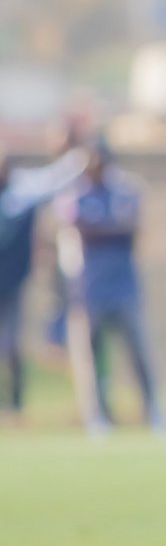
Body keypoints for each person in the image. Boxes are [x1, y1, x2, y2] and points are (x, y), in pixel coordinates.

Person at [57, 140, 166, 434]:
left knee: (139, 354)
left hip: (124, 287)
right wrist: (108, 227)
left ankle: (154, 412)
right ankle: (97, 417)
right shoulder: (76, 193)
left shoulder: (125, 189)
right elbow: (79, 224)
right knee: (90, 359)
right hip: (88, 289)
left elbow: (130, 225)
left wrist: (103, 227)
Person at [0, 134, 88, 425]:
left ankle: (15, 405)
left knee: (11, 345)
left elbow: (57, 177)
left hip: (11, 282)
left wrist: (78, 153)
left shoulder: (22, 190)